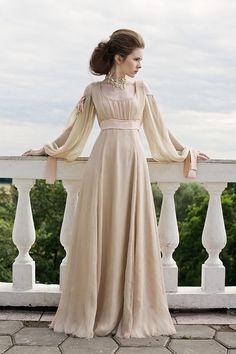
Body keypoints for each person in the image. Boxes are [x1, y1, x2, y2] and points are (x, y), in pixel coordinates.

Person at [22, 29, 209, 338]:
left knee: (130, 228)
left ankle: (129, 308)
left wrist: (184, 150)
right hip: (103, 163)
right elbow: (74, 129)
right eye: (136, 59)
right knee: (101, 229)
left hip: (133, 163)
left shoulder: (142, 88)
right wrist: (47, 148)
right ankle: (96, 308)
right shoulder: (94, 90)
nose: (140, 65)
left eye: (141, 60)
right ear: (119, 58)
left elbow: (160, 128)